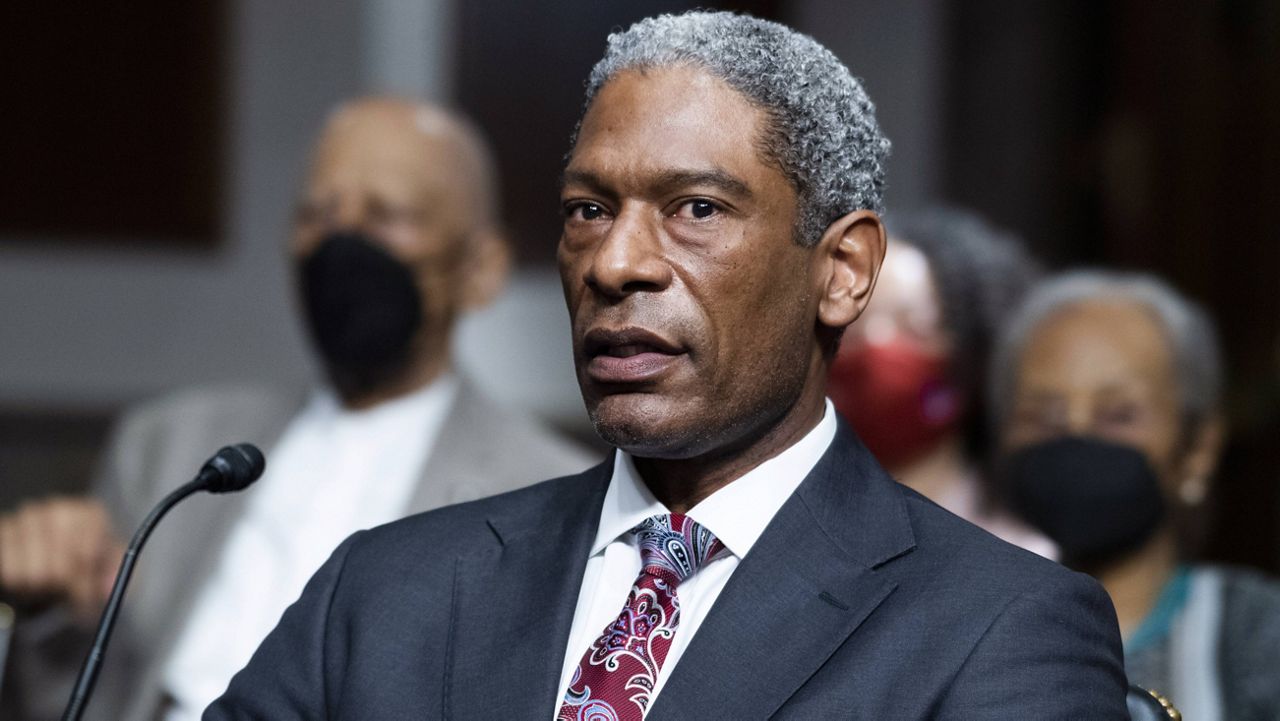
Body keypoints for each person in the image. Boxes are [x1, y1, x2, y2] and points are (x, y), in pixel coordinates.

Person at [207, 12, 1129, 719]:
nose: (616, 263)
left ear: (842, 272)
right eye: (587, 211)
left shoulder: (999, 630)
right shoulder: (382, 591)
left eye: (694, 209)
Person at [0, 98, 596, 721]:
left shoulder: (551, 492)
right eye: (318, 213)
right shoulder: (170, 446)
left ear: (481, 268)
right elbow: (69, 703)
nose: (343, 239)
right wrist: (48, 613)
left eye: (386, 215)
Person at [990, 270, 1280, 720]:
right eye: (1043, 417)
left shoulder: (1257, 636)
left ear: (1198, 447)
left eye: (1119, 415)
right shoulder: (972, 633)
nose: (1077, 436)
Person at [828, 207, 1053, 556]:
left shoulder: (1026, 546)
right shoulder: (783, 526)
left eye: (915, 325)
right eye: (853, 326)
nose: (878, 345)